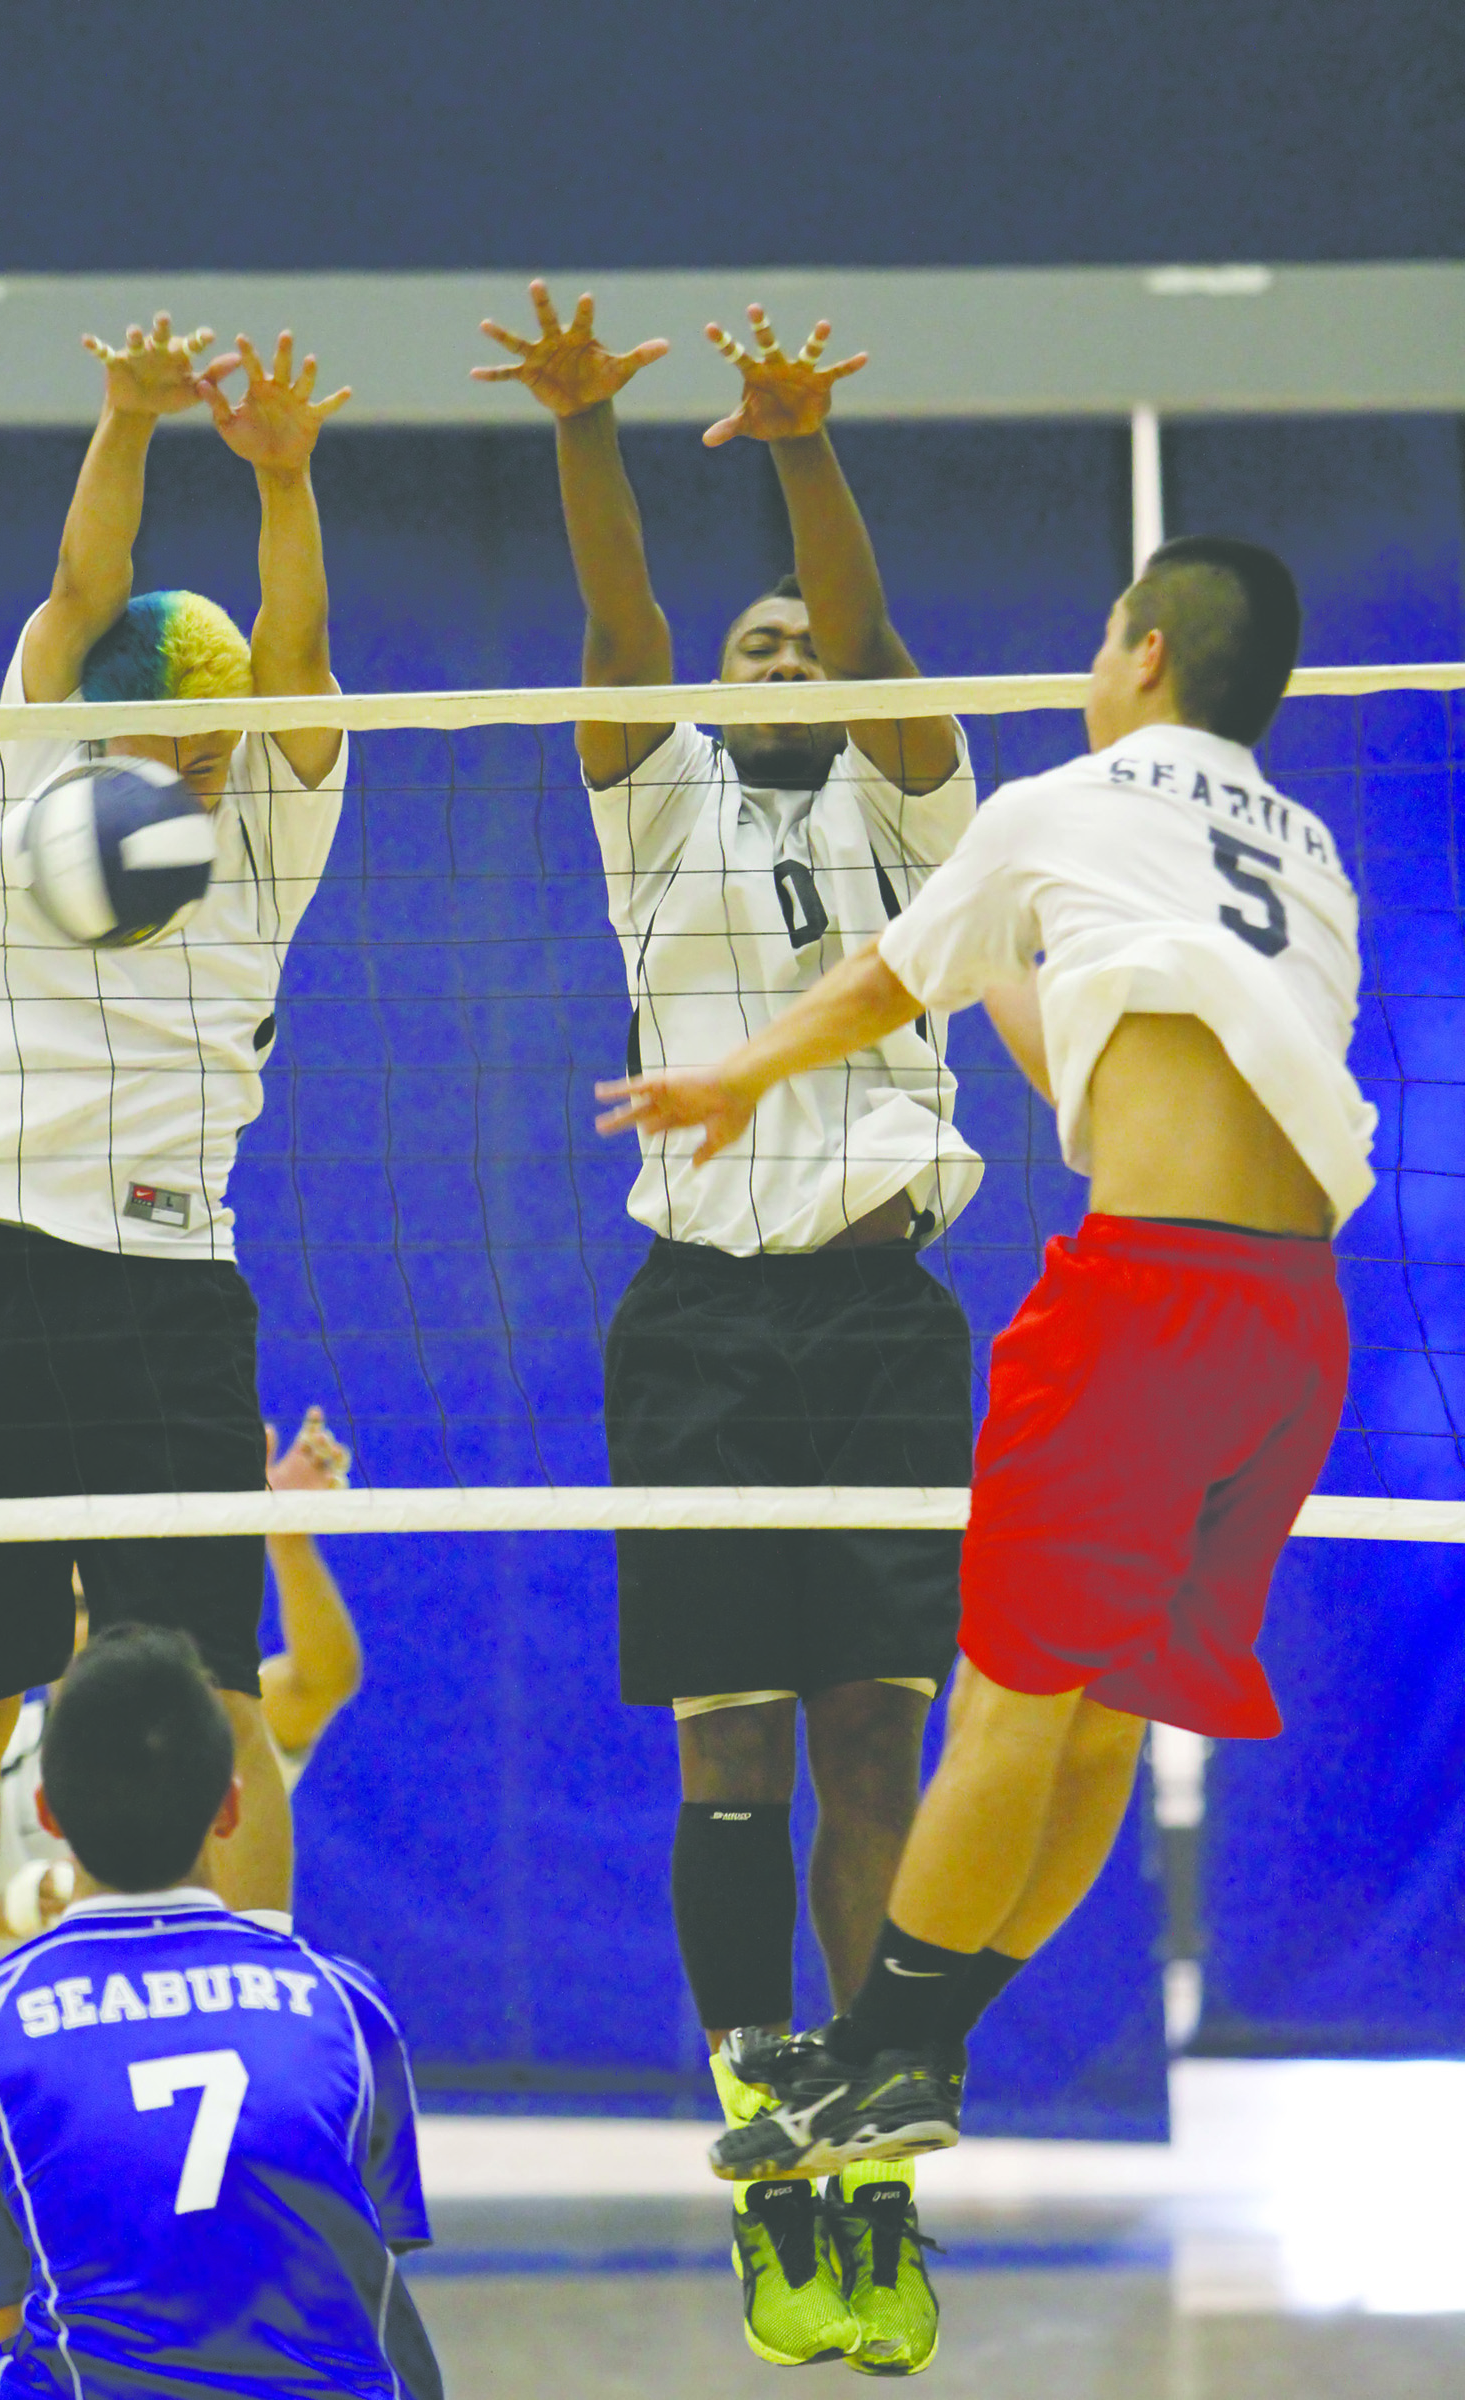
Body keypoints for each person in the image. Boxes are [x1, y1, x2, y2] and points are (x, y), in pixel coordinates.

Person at [597, 536, 1374, 2181]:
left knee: (1009, 1719)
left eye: (1104, 633)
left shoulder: (1057, 806)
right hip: (1294, 1335)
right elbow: (1100, 1043)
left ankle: (877, 2049)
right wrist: (1015, 990)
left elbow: (886, 979)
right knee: (1100, 1728)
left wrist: (737, 1074)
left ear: (1147, 655)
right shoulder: (1307, 856)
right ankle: (922, 2049)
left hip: (1147, 1303)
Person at [477, 282, 983, 2372]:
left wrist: (794, 443)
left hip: (878, 1315)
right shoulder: (655, 790)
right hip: (693, 1321)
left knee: (881, 1726)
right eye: (745, 645)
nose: (776, 662)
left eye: (799, 646)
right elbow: (617, 637)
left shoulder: (911, 808)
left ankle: (873, 2156)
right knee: (732, 1743)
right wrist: (589, 431)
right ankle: (762, 2122)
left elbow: (871, 655)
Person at [0, 311, 350, 2271]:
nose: (201, 731)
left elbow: (310, 670)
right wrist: (127, 419)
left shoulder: (277, 832)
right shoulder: (30, 772)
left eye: (220, 715)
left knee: (222, 1703)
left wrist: (284, 476)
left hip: (168, 1289)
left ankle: (266, 2047)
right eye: (181, 703)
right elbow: (79, 589)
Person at [0, 1405, 363, 2386]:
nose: (100, 1631)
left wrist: (286, 1538)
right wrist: (16, 1907)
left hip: (130, 2098)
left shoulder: (194, 1736)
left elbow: (319, 1679)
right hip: (22, 2092)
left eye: (114, 1611)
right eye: (83, 1611)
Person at [0, 1621, 441, 2400]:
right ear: (229, 1808)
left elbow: (11, 2306)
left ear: (47, 1813)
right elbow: (370, 2258)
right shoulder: (347, 2005)